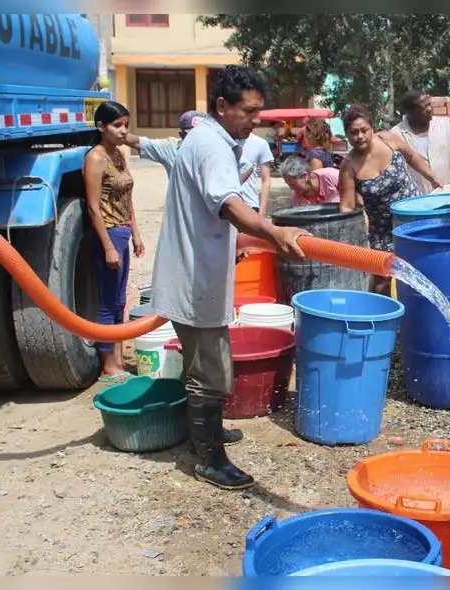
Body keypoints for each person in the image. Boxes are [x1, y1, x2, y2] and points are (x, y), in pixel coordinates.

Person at [150, 65, 311, 491]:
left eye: (259, 111)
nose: (256, 120)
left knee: (206, 366)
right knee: (211, 372)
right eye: (249, 111)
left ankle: (208, 433)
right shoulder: (212, 146)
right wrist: (273, 231)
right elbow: (229, 205)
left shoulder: (208, 139)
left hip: (196, 273)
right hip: (193, 280)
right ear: (222, 106)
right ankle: (209, 459)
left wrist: (264, 239)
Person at [338, 103, 445, 294]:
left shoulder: (387, 139)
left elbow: (412, 157)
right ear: (346, 134)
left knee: (425, 271)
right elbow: (346, 206)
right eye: (353, 132)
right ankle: (385, 313)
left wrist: (432, 177)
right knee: (383, 283)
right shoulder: (348, 166)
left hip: (415, 220)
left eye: (364, 130)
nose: (360, 136)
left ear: (372, 127)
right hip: (383, 233)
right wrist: (351, 237)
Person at [84, 101, 144, 383]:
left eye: (126, 126)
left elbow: (126, 198)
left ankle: (118, 360)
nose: (123, 131)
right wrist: (108, 246)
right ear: (101, 127)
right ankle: (108, 364)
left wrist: (136, 233)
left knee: (120, 300)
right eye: (117, 125)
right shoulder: (96, 158)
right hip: (108, 233)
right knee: (108, 301)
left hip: (122, 232)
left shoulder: (119, 154)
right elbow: (93, 206)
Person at [124, 111, 274, 215]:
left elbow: (246, 167)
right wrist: (118, 131)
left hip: (213, 212)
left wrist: (227, 186)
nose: (198, 140)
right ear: (181, 134)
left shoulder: (217, 146)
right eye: (192, 135)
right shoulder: (171, 148)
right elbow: (137, 142)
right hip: (185, 213)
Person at [390, 89, 450, 194]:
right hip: (416, 199)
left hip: (446, 197)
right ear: (410, 112)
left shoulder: (444, 125)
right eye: (423, 107)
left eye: (429, 104)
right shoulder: (397, 134)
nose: (429, 109)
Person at [239, 131, 275, 215]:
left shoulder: (260, 143)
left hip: (250, 204)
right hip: (225, 204)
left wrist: (262, 210)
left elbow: (266, 180)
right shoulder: (221, 141)